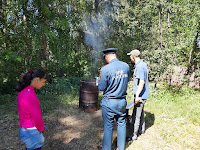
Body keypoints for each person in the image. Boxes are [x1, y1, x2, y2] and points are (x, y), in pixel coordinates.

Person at [97, 48, 130, 150]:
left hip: (109, 102)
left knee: (108, 126)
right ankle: (121, 147)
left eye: (105, 58)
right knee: (121, 124)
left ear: (107, 57)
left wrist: (99, 80)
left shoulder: (106, 69)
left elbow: (101, 87)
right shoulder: (126, 66)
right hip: (122, 102)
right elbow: (126, 80)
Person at [16, 69, 48, 150]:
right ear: (37, 80)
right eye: (43, 81)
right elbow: (37, 117)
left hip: (24, 129)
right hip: (32, 132)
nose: (43, 84)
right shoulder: (31, 96)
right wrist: (41, 128)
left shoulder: (23, 91)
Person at [127, 49, 149, 141]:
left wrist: (137, 95)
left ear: (133, 57)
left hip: (140, 96)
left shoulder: (139, 67)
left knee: (135, 115)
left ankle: (133, 135)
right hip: (143, 95)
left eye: (130, 57)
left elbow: (142, 82)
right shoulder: (142, 64)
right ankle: (142, 129)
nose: (130, 59)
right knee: (141, 112)